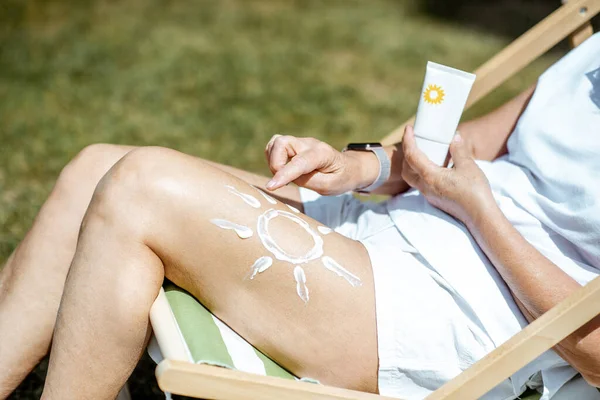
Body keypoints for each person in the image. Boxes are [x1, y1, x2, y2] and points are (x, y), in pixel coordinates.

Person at [1, 31, 599, 400]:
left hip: (438, 319)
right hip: (385, 237)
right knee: (96, 170)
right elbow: (472, 144)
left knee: (140, 186)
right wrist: (352, 168)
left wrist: (478, 209)